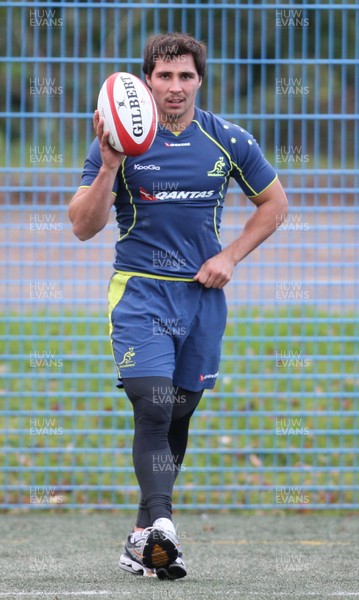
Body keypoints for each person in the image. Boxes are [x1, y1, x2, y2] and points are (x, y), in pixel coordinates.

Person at [68, 32, 288, 580]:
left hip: (202, 298)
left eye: (185, 76)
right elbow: (81, 226)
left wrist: (231, 256)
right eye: (163, 76)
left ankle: (142, 539)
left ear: (199, 80)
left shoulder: (227, 140)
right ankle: (165, 526)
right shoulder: (114, 144)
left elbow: (275, 204)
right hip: (140, 293)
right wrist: (110, 166)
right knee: (155, 404)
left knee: (180, 410)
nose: (174, 86)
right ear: (147, 82)